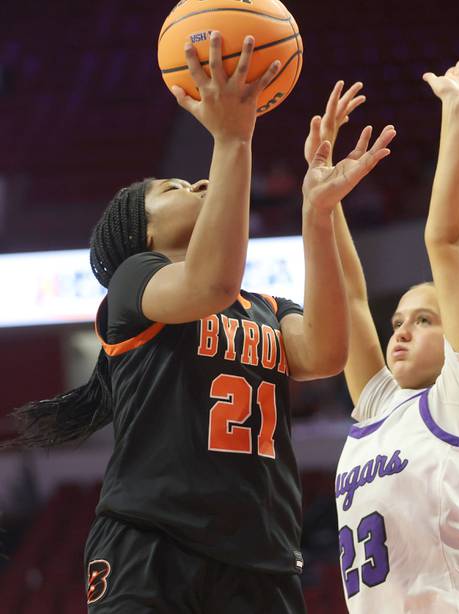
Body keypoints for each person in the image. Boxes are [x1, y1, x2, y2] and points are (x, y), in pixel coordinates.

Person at [3, 34, 394, 613]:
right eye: (175, 188)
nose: (202, 184)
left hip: (261, 557)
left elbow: (326, 354)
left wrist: (317, 213)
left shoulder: (264, 307)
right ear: (146, 234)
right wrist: (232, 138)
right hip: (153, 545)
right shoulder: (135, 283)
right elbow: (212, 283)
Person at [303, 63, 459, 612]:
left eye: (424, 320)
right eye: (397, 322)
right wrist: (323, 205)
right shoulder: (377, 404)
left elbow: (444, 241)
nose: (401, 332)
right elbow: (348, 299)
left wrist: (457, 112)